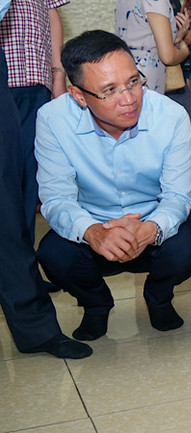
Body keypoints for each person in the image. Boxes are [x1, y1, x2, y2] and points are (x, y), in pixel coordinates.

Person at [34, 30, 191, 342]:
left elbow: (178, 197)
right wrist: (94, 232)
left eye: (133, 81)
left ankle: (159, 296)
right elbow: (56, 198)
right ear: (79, 96)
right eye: (109, 90)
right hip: (93, 232)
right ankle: (95, 304)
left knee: (187, 246)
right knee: (53, 253)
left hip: (152, 230)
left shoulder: (171, 116)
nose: (129, 99)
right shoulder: (52, 120)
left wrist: (151, 228)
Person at [0, 0, 92, 360]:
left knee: (12, 202)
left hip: (25, 78)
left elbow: (51, 13)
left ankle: (35, 325)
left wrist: (57, 75)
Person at [0, 0, 69, 293]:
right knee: (6, 182)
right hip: (5, 82)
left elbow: (53, 16)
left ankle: (23, 275)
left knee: (30, 181)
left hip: (36, 82)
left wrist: (58, 76)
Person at [115, 0, 191, 93]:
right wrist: (185, 51)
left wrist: (177, 36)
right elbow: (168, 57)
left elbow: (143, 37)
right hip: (146, 78)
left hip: (126, 70)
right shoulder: (156, 2)